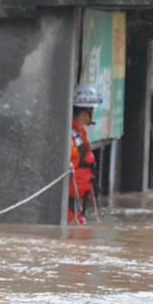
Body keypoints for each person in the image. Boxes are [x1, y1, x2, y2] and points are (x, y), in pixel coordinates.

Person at [68, 84, 103, 225]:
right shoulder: (71, 138)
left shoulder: (79, 135)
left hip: (76, 206)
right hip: (68, 208)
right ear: (85, 113)